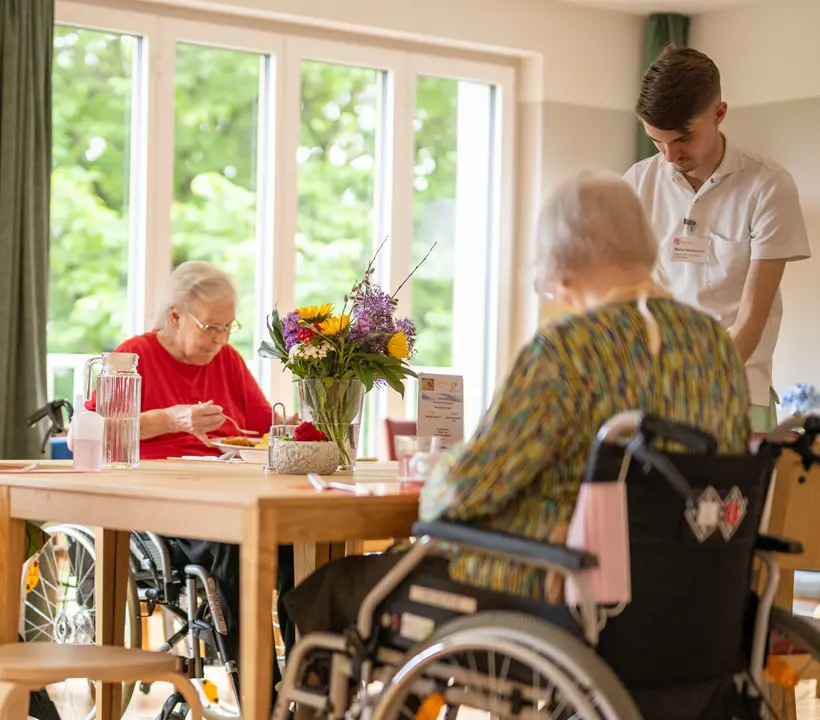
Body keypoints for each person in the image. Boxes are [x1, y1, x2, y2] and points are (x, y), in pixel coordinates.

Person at [284, 170, 751, 635]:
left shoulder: (568, 348)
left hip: (556, 591)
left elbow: (470, 487)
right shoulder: (714, 344)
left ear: (560, 259)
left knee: (329, 593)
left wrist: (436, 476)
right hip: (692, 604)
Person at [84, 261, 295, 702]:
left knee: (299, 541)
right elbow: (93, 428)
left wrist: (289, 428)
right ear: (175, 315)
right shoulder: (133, 357)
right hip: (165, 501)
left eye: (227, 327)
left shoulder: (229, 362)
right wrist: (170, 418)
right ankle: (262, 695)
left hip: (230, 491)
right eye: (210, 327)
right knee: (240, 546)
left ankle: (306, 680)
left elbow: (261, 429)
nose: (220, 339)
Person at [624, 45, 811, 433]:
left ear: (719, 113)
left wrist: (693, 385)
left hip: (738, 391)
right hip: (656, 391)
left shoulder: (767, 186)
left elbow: (750, 321)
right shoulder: (639, 182)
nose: (670, 155)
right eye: (657, 142)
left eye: (682, 139)